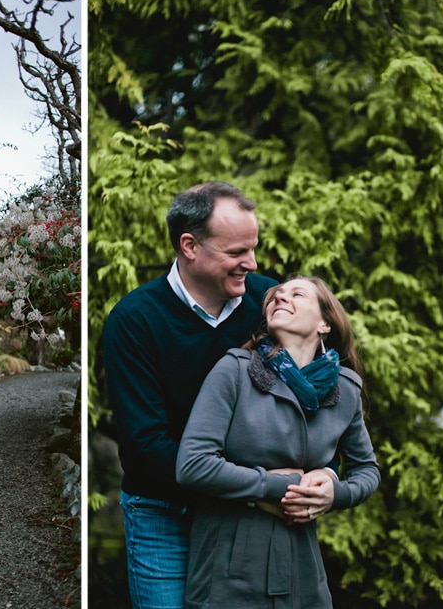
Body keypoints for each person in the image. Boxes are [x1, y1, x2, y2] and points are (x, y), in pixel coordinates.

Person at [103, 181, 284, 609]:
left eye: (253, 249)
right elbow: (146, 444)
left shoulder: (271, 302)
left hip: (252, 514)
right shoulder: (135, 320)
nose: (251, 263)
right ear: (189, 245)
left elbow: (313, 397)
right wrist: (258, 486)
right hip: (165, 512)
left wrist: (320, 475)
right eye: (237, 252)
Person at [175, 276, 381, 608]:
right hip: (229, 563)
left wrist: (334, 492)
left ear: (325, 323)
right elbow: (193, 465)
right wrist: (275, 486)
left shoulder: (345, 390)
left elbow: (367, 471)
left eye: (297, 294)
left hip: (303, 566)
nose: (281, 299)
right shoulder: (235, 370)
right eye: (275, 296)